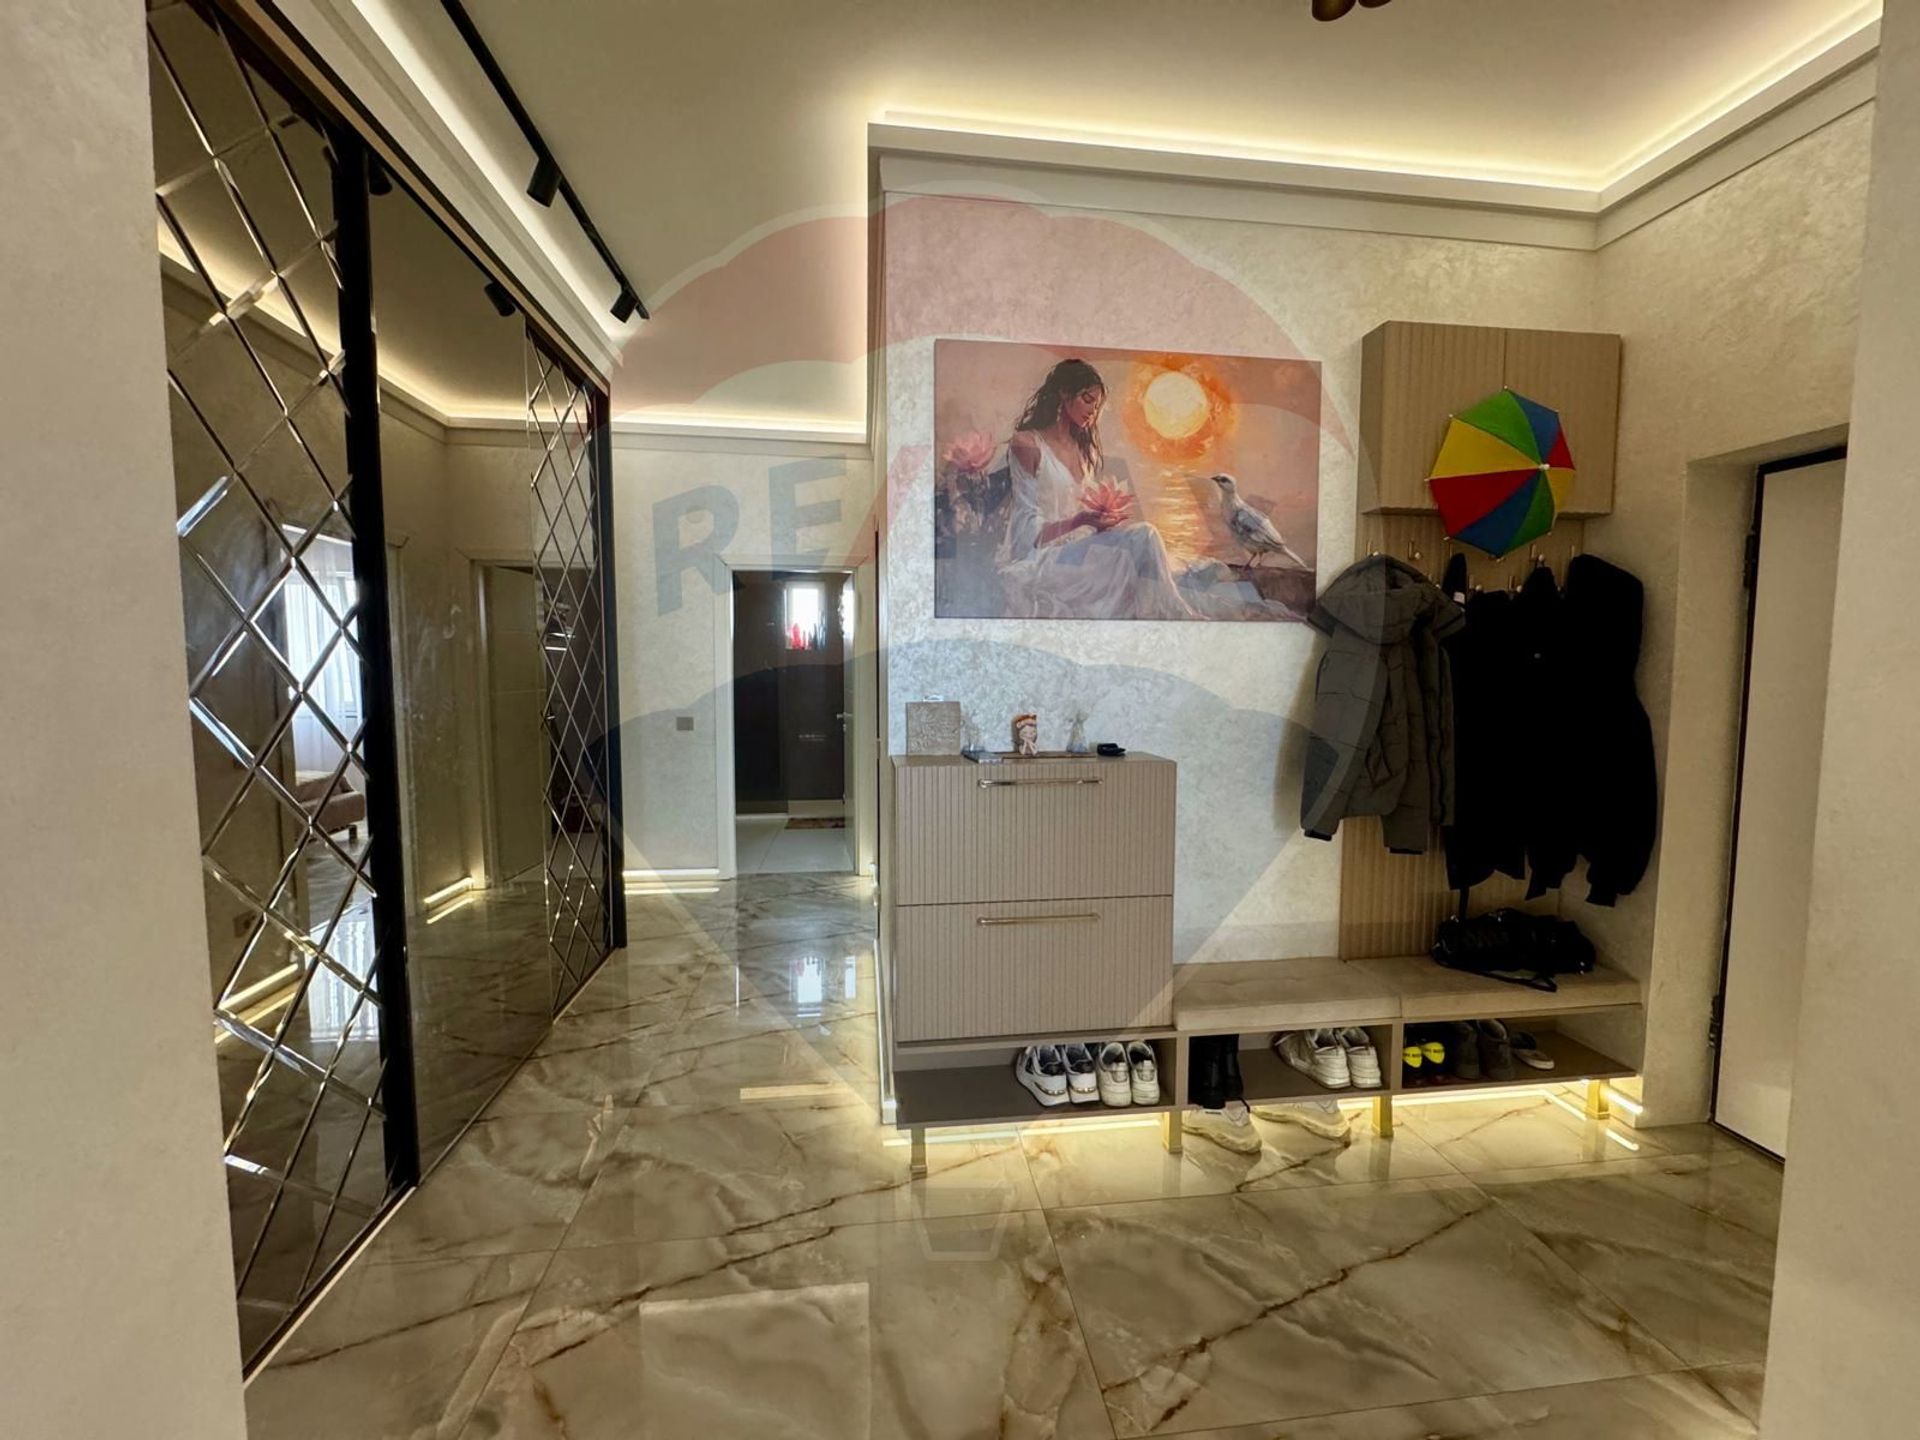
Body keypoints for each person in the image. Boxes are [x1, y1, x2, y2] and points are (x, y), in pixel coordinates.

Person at [997, 359, 1194, 620]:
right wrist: (1079, 521)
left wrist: (1100, 524)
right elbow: (1025, 535)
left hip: (1078, 553)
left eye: (1097, 405)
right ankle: (1176, 616)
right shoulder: (1028, 444)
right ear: (1064, 393)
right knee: (1144, 537)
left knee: (1149, 548)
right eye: (1087, 400)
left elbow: (1081, 516)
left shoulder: (1083, 451)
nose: (1092, 411)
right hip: (1043, 560)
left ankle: (1168, 614)